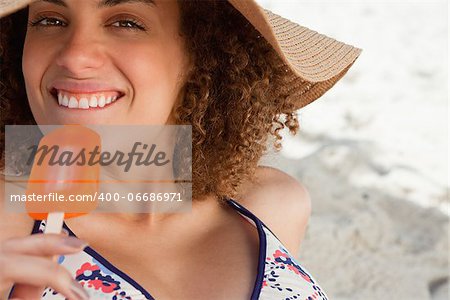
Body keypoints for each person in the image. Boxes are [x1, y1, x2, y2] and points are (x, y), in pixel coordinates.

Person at [0, 0, 362, 299]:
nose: (75, 57)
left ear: (202, 50)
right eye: (50, 19)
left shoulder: (270, 205)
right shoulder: (7, 225)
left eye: (125, 22)